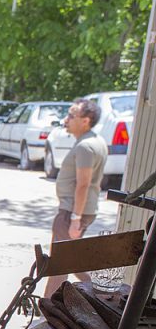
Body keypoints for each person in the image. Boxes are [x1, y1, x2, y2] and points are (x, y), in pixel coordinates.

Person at [43, 98, 108, 297]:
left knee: (59, 265)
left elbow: (83, 184)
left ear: (86, 121)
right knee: (72, 260)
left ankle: (46, 310)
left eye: (72, 115)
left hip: (72, 212)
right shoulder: (94, 141)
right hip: (76, 210)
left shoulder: (86, 147)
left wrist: (75, 218)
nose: (67, 119)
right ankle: (103, 294)